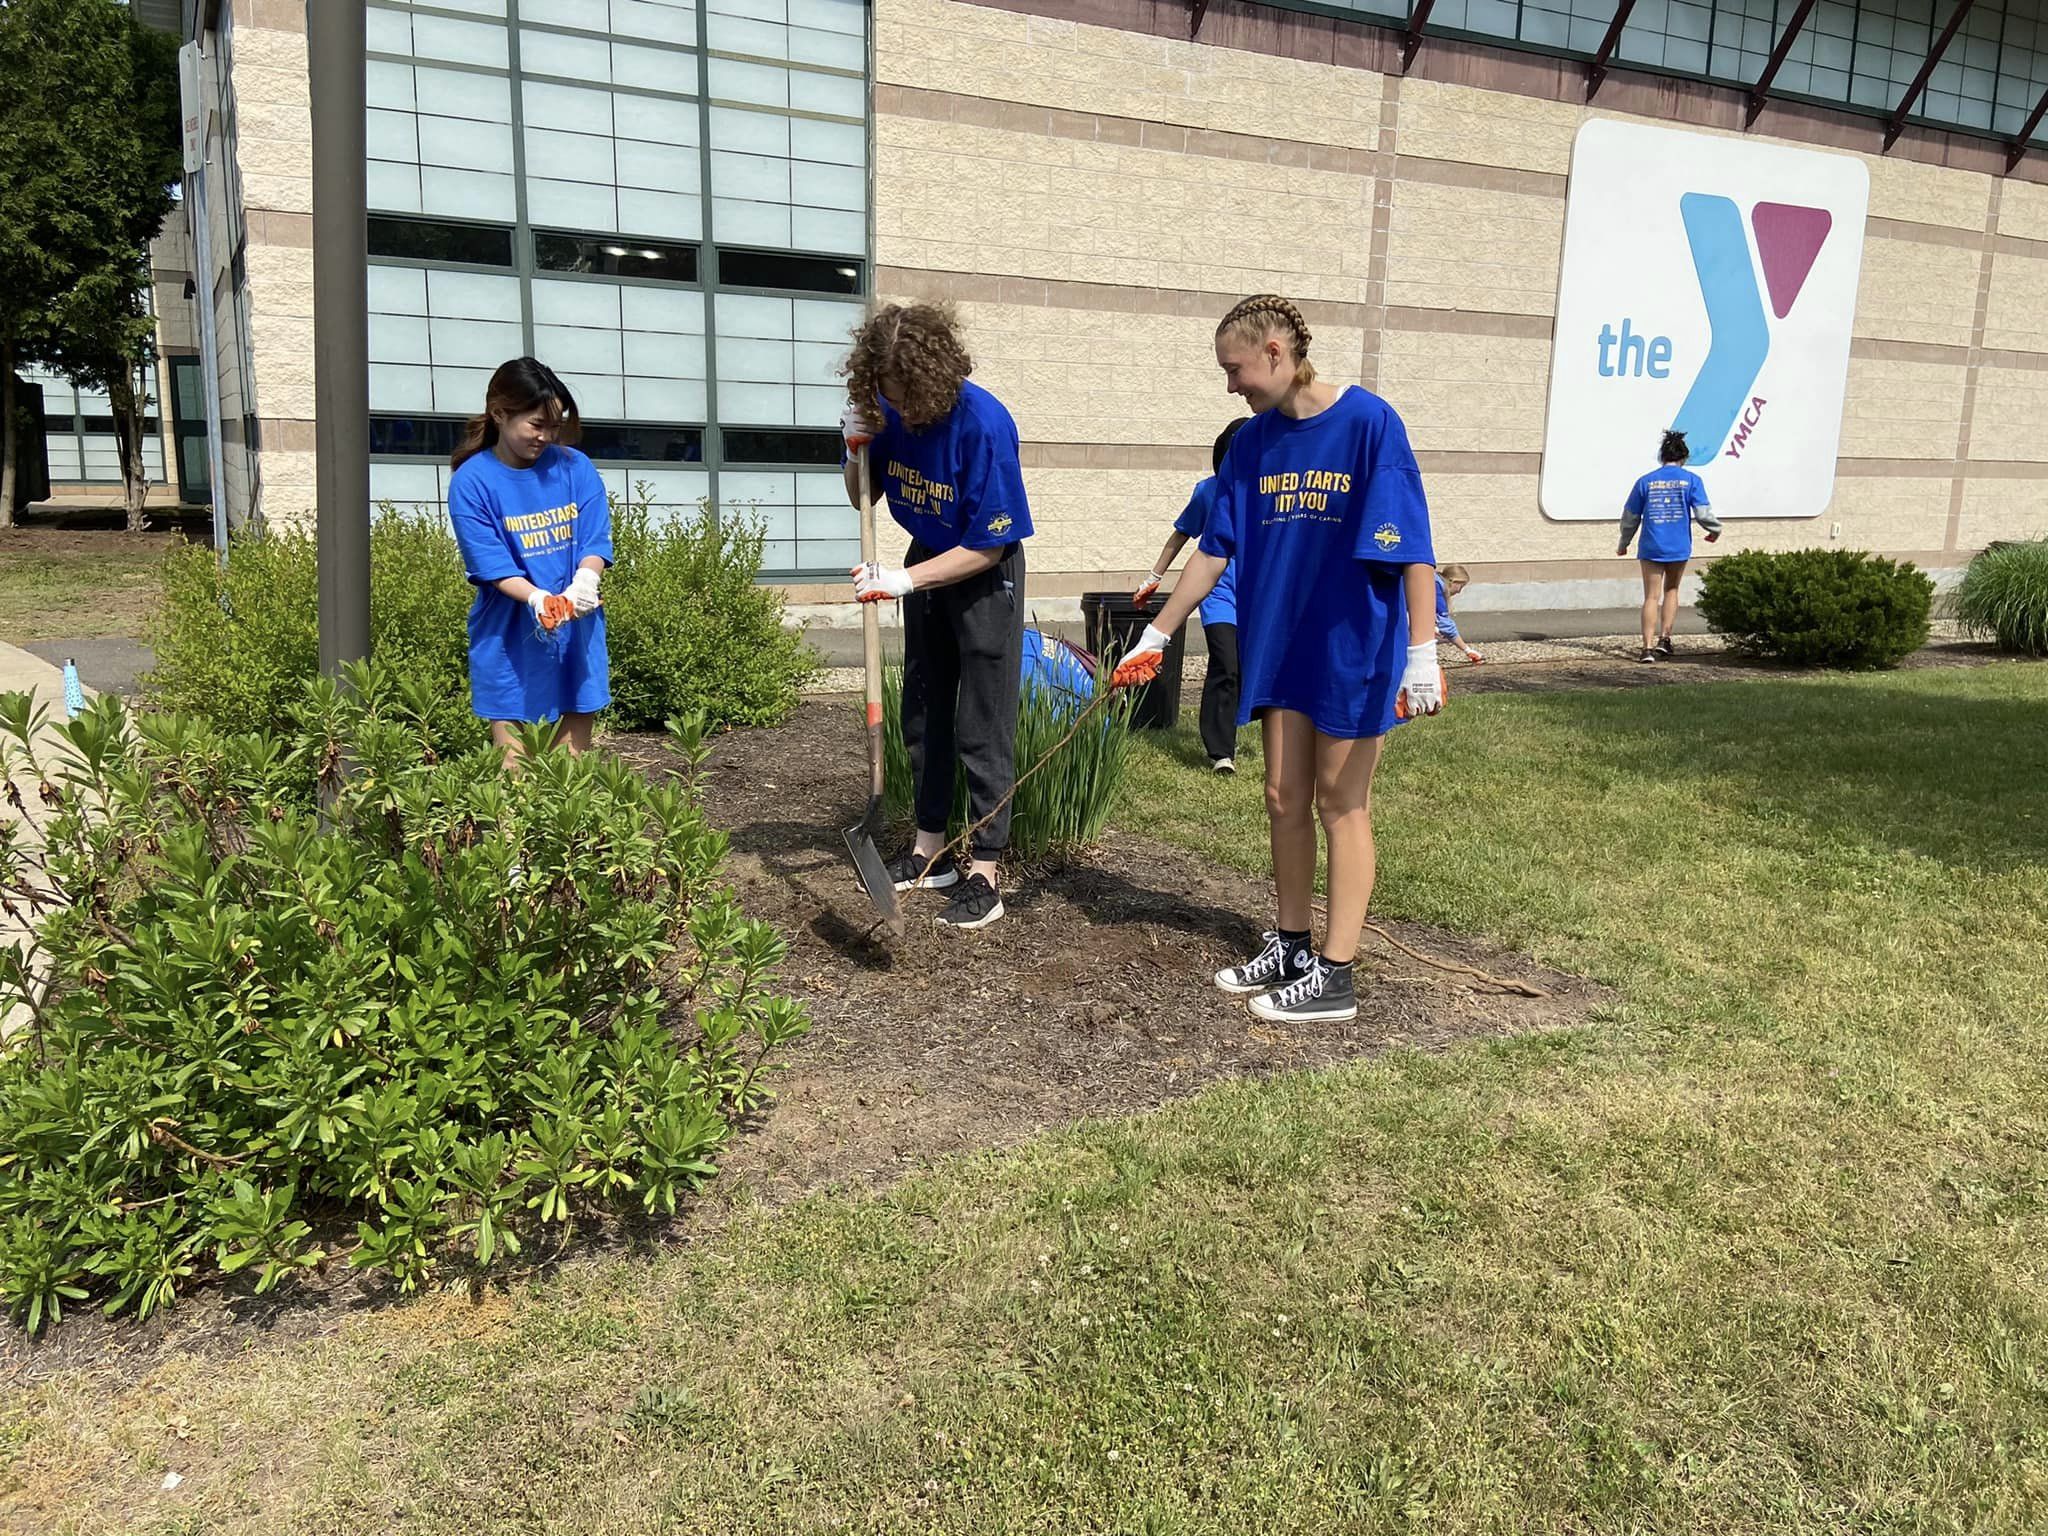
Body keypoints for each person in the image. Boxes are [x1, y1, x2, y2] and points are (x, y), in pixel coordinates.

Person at [1117, 294, 1444, 1025]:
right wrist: (1159, 633)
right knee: (1281, 797)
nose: (1230, 385)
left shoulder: (1368, 423)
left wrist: (1422, 651)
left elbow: (1413, 543)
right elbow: (1213, 548)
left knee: (1341, 802)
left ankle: (1336, 975)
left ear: (1273, 350)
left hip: (1352, 644)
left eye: (1234, 369)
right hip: (1281, 644)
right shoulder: (1254, 444)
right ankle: (1294, 943)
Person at [839, 302, 1032, 932]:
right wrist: (854, 449)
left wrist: (902, 580)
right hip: (926, 559)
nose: (896, 404)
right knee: (922, 712)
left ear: (933, 377)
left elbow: (990, 544)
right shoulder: (889, 409)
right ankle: (931, 850)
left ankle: (986, 869)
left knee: (983, 720)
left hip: (980, 573)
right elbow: (863, 495)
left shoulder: (985, 425)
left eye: (903, 393)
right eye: (885, 391)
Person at [447, 357, 611, 758]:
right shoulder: (472, 482)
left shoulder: (575, 467)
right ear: (500, 414)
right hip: (508, 636)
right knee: (514, 771)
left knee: (569, 771)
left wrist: (584, 583)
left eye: (554, 426)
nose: (547, 437)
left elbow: (595, 540)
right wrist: (538, 599)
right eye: (537, 425)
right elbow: (492, 566)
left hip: (577, 631)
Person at [1134, 419, 1248, 774]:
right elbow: (1181, 535)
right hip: (1218, 596)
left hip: (1256, 599)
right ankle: (1220, 753)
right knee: (1225, 665)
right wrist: (1154, 577)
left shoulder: (1269, 495)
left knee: (1243, 670)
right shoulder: (1208, 492)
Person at [1619, 429, 1721, 663]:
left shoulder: (1645, 481)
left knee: (1651, 596)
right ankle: (1665, 639)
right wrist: (1714, 530)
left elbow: (1630, 517)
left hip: (1651, 545)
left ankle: (1646, 648)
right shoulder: (1692, 481)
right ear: (1683, 458)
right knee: (1671, 590)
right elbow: (1703, 514)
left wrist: (1623, 543)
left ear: (1661, 456)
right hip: (1678, 546)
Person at [1435, 563, 1483, 665]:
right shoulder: (1437, 589)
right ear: (1454, 581)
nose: (1459, 591)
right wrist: (1467, 650)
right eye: (1461, 586)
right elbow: (1445, 625)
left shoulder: (1434, 581)